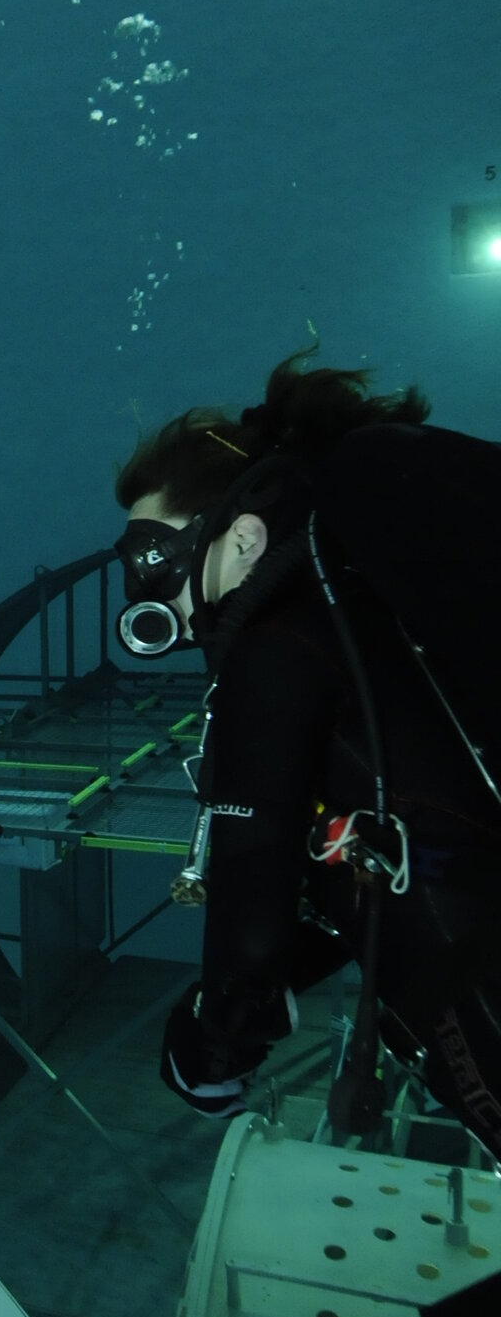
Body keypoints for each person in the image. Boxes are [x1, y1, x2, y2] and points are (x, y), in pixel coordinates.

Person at [112, 353, 501, 1157]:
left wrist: (206, 1053)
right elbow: (374, 866)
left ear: (243, 533)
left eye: (156, 565)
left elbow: (248, 945)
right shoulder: (360, 628)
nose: (163, 612)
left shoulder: (276, 651)